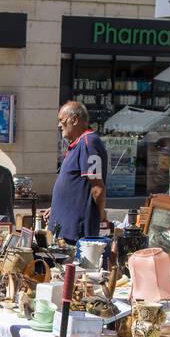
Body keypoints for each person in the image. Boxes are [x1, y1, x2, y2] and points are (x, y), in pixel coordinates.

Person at [46, 100, 109, 243]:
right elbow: (74, 184)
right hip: (65, 228)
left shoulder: (88, 142)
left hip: (76, 230)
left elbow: (97, 189)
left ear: (74, 120)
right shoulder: (79, 143)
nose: (59, 125)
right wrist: (57, 207)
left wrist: (97, 218)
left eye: (61, 120)